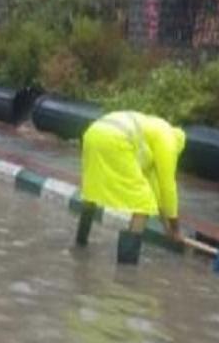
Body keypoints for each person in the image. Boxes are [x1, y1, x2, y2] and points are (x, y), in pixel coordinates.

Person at [76, 110, 186, 264]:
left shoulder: (151, 132)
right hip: (116, 139)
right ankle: (126, 269)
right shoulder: (169, 141)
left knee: (92, 190)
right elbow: (168, 187)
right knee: (144, 203)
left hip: (92, 133)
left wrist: (166, 225)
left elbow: (156, 190)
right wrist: (176, 229)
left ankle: (80, 243)